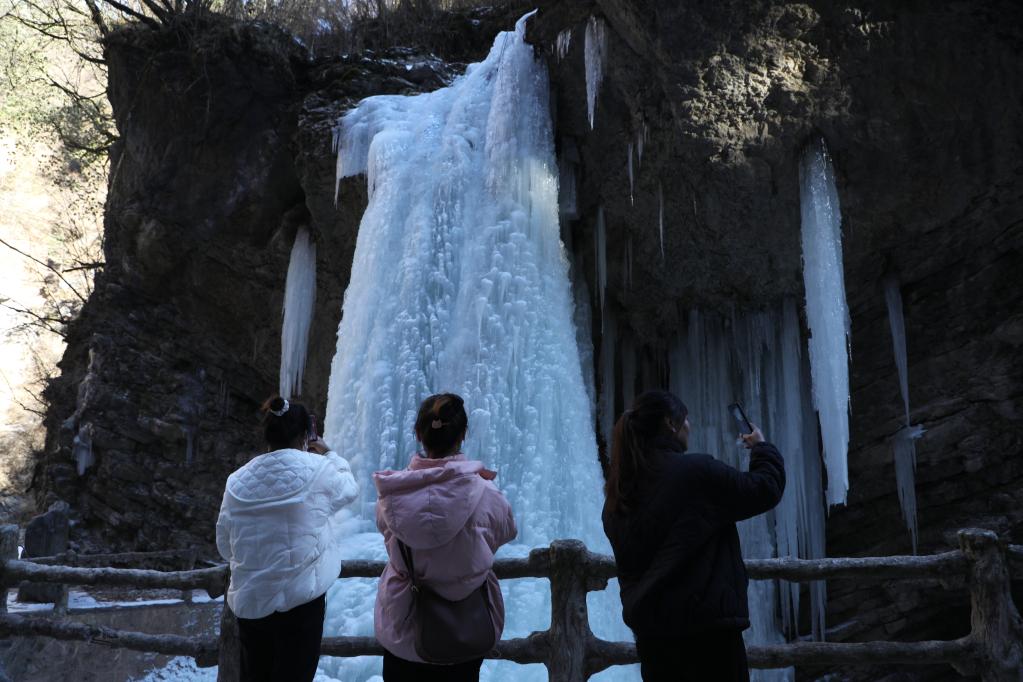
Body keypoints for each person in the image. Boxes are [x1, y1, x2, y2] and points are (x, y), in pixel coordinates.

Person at [602, 390, 785, 682]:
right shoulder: (696, 472)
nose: (690, 426)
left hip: (655, 639)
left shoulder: (618, 497)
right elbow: (764, 489)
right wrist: (762, 449)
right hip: (708, 637)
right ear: (670, 424)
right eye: (685, 419)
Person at [374, 393, 517, 682]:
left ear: (418, 434)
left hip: (406, 630)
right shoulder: (488, 496)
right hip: (464, 630)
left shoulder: (392, 498)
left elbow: (387, 532)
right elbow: (506, 531)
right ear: (463, 434)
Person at [216, 396, 359, 682]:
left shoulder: (236, 481)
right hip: (301, 603)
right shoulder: (319, 470)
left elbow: (224, 545)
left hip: (252, 604)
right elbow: (349, 489)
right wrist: (330, 455)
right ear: (306, 435)